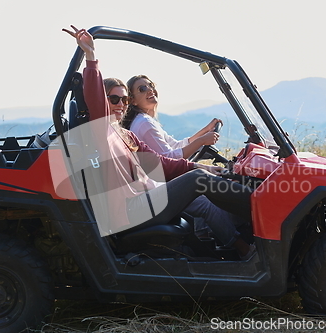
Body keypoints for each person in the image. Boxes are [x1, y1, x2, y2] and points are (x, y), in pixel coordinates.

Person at [63, 25, 256, 260]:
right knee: (198, 181)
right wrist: (91, 57)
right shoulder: (101, 133)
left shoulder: (126, 136)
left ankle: (248, 235)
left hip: (145, 201)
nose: (121, 105)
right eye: (113, 99)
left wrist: (207, 167)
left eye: (124, 100)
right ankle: (262, 208)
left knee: (201, 182)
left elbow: (161, 163)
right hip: (130, 211)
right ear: (104, 102)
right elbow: (94, 101)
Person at [121, 75, 221, 159]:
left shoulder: (143, 121)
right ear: (133, 101)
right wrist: (202, 141)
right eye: (142, 89)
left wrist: (206, 130)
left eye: (151, 85)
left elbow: (176, 146)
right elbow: (169, 158)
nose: (150, 90)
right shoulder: (144, 123)